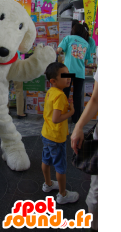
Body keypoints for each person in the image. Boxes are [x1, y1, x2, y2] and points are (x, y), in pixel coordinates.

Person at [41, 62, 79, 204]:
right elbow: (56, 119)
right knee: (60, 166)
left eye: (68, 73)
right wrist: (71, 112)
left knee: (46, 160)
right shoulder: (61, 96)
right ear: (53, 81)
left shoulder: (51, 92)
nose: (69, 77)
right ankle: (63, 195)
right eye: (65, 75)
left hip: (46, 134)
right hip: (56, 137)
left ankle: (48, 184)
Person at [71, 68, 98, 231]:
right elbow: (96, 99)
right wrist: (78, 126)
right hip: (78, 74)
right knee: (97, 192)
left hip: (77, 74)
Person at [56, 24, 93, 125]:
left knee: (64, 94)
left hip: (67, 72)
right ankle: (76, 119)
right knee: (77, 96)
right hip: (80, 73)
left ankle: (61, 117)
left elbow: (58, 50)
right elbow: (86, 62)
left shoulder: (68, 38)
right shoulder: (86, 43)